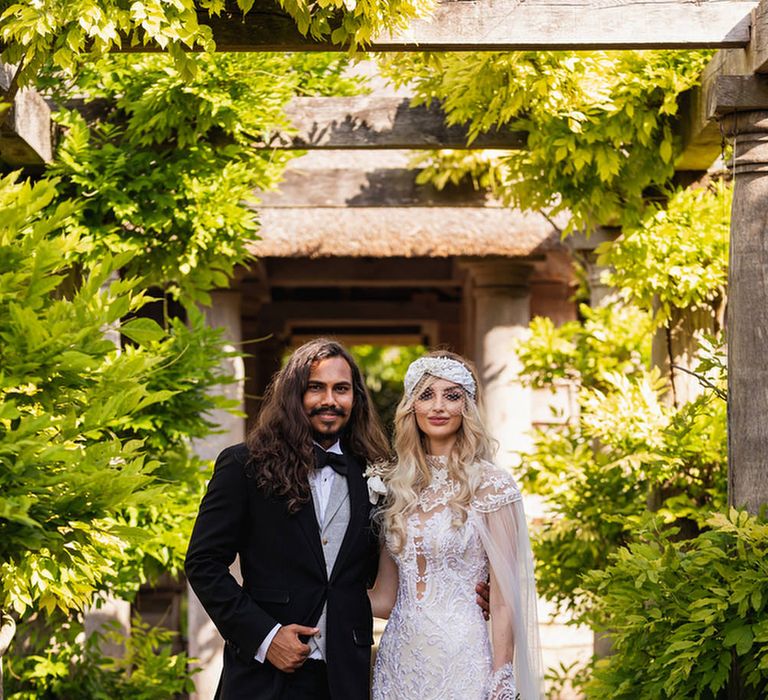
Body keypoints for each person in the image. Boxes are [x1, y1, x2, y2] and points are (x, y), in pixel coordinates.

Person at [185, 338, 390, 699]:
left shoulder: (376, 474)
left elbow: (402, 559)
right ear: (294, 394)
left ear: (355, 397)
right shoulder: (243, 465)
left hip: (346, 676)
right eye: (316, 388)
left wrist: (474, 589)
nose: (330, 400)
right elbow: (203, 563)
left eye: (341, 389)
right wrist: (265, 636)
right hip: (264, 676)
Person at [368, 351, 543, 700]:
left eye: (452, 396)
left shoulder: (493, 486)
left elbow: (505, 596)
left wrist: (502, 674)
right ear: (411, 407)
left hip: (464, 658)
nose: (438, 407)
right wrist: (316, 596)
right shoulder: (396, 488)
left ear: (468, 407)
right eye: (426, 395)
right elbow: (385, 599)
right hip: (399, 661)